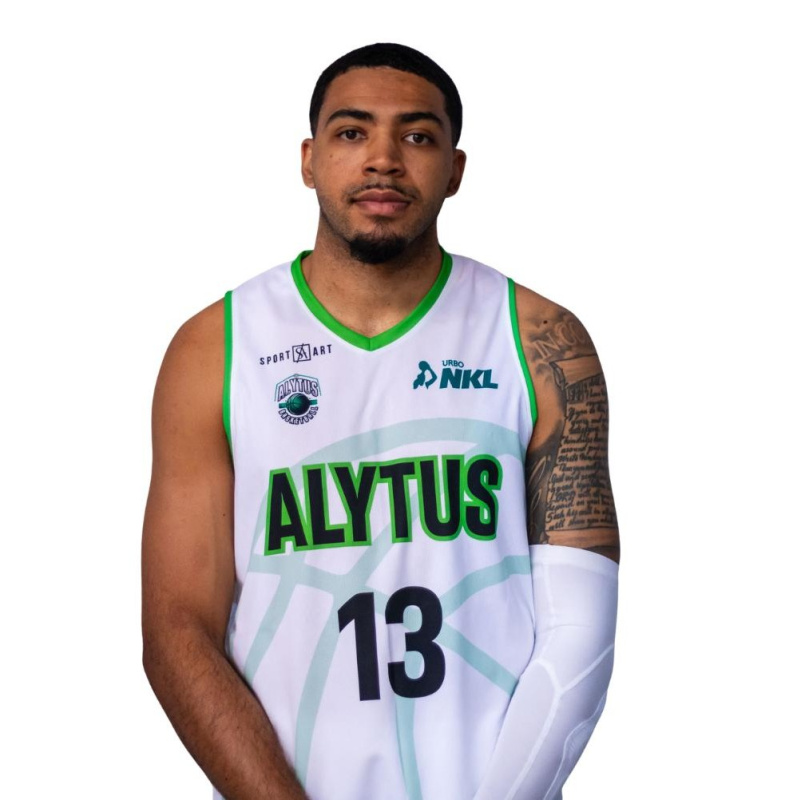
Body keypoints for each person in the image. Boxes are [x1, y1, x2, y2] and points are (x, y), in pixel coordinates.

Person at [142, 42, 620, 800]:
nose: (384, 159)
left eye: (417, 135)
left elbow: (579, 634)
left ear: (455, 169)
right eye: (352, 131)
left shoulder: (541, 341)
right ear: (309, 160)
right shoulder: (215, 348)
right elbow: (177, 630)